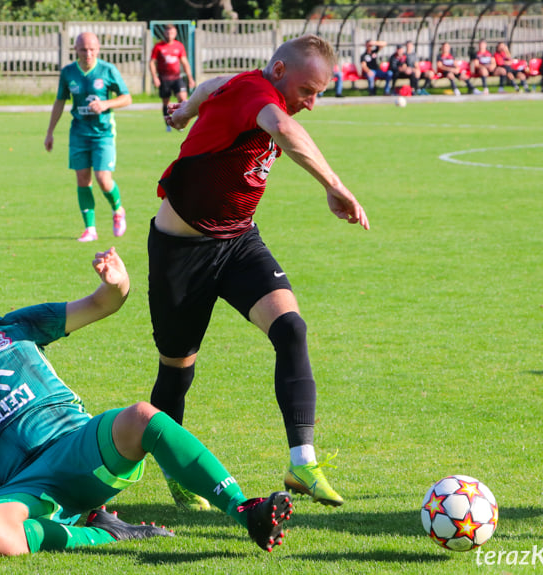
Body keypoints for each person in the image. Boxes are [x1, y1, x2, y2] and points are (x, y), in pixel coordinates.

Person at [0, 249, 294, 554]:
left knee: (142, 417)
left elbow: (101, 304)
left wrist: (115, 283)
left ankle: (244, 509)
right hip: (31, 484)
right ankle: (101, 533)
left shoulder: (17, 327)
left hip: (80, 446)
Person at [149, 34, 370, 512]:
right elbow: (284, 131)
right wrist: (335, 185)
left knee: (291, 328)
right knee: (177, 369)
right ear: (277, 71)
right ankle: (177, 468)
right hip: (180, 252)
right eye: (307, 91)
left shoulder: (245, 85)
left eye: (318, 95)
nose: (310, 104)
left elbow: (211, 85)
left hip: (238, 241)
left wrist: (186, 109)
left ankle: (302, 462)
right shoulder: (258, 95)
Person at [45, 32, 131, 243]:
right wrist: (50, 132)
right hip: (79, 133)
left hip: (103, 133)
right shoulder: (68, 72)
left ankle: (118, 209)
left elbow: (126, 97)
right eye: (83, 49)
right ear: (76, 49)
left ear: (98, 49)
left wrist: (105, 104)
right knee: (83, 178)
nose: (88, 54)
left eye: (92, 49)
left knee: (103, 179)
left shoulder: (107, 70)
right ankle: (90, 228)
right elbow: (60, 102)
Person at [149, 24, 196, 132]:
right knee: (166, 103)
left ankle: (180, 123)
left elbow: (184, 62)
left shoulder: (179, 46)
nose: (170, 35)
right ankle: (168, 124)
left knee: (183, 99)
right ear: (164, 33)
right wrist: (154, 77)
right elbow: (152, 62)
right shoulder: (158, 46)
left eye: (172, 33)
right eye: (168, 33)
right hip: (164, 79)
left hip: (177, 78)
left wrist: (190, 78)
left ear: (175, 34)